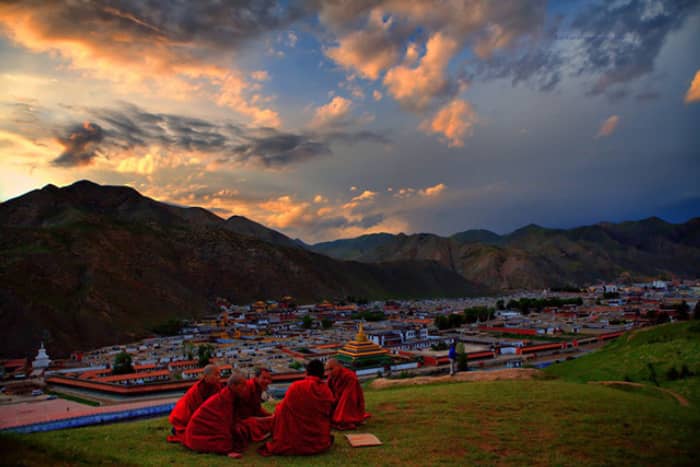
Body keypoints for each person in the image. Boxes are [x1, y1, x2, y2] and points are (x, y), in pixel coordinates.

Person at [258, 359, 335, 456]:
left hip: (295, 440)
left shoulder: (296, 386)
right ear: (322, 374)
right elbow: (329, 414)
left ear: (306, 372)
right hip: (318, 442)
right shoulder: (326, 391)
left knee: (280, 411)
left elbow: (282, 410)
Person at [184, 372, 265, 458]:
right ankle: (226, 449)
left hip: (206, 428)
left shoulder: (231, 395)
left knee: (243, 427)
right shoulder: (224, 399)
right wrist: (227, 450)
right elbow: (223, 423)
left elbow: (236, 418)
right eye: (243, 386)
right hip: (197, 433)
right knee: (226, 437)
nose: (245, 389)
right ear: (233, 386)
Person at [167, 364, 221, 443]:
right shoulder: (196, 391)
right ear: (206, 376)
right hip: (186, 419)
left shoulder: (217, 387)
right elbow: (196, 410)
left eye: (219, 374)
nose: (219, 377)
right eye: (216, 374)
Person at [325, 358, 370, 430]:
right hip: (337, 402)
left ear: (339, 366)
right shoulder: (331, 377)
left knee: (340, 419)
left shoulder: (349, 377)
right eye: (327, 370)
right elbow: (327, 393)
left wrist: (339, 417)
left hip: (350, 404)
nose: (328, 373)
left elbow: (348, 398)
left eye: (331, 369)